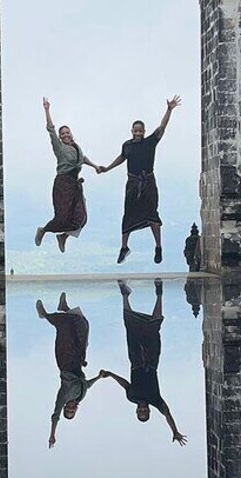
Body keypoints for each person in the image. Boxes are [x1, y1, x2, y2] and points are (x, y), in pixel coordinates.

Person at [101, 280, 187, 446]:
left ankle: (125, 294)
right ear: (148, 410)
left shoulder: (132, 397)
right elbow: (167, 413)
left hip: (135, 359)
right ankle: (159, 294)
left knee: (130, 325)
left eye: (140, 411)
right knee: (154, 326)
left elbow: (125, 384)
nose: (142, 409)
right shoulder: (155, 400)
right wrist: (174, 431)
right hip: (151, 361)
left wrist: (111, 375)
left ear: (136, 411)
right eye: (144, 411)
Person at [99, 96, 182, 264]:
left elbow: (162, 127)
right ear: (131, 131)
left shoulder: (150, 142)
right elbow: (122, 158)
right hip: (132, 184)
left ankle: (158, 247)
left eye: (140, 131)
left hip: (148, 183)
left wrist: (169, 110)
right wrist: (107, 168)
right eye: (135, 130)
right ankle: (124, 248)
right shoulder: (127, 145)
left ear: (144, 132)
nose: (137, 133)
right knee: (128, 214)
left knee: (152, 215)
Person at [37, 293, 104, 448]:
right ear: (76, 410)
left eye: (68, 410)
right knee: (83, 326)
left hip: (66, 361)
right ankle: (64, 308)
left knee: (66, 329)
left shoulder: (63, 397)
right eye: (72, 411)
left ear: (66, 407)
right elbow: (87, 384)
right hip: (79, 360)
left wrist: (52, 435)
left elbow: (55, 416)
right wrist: (99, 377)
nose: (71, 408)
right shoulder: (81, 396)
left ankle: (45, 315)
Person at [35, 98, 102, 253]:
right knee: (63, 217)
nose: (65, 135)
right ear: (60, 137)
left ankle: (63, 237)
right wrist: (47, 110)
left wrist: (95, 166)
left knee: (81, 217)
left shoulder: (77, 147)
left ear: (71, 134)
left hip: (75, 185)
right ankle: (43, 230)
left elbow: (83, 159)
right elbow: (51, 129)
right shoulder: (59, 148)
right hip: (63, 184)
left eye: (67, 132)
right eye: (62, 133)